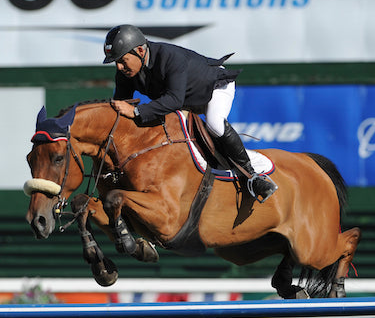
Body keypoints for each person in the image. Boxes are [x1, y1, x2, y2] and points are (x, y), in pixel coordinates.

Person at [103, 24, 277, 203]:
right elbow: (121, 107)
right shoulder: (125, 73)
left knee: (215, 124)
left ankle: (253, 177)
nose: (119, 66)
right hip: (185, 99)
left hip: (213, 88)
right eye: (116, 61)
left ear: (140, 50)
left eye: (122, 60)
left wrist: (137, 111)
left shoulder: (169, 57)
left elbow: (173, 100)